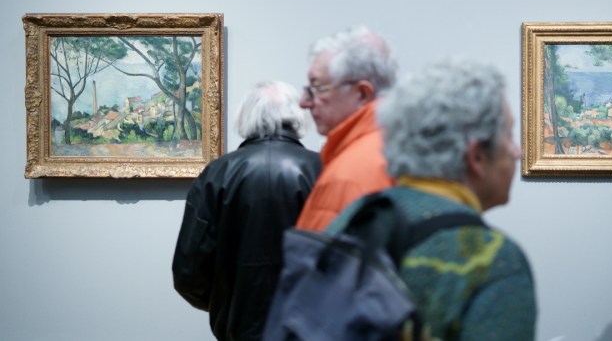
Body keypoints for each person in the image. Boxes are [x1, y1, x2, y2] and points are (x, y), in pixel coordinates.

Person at [326, 58, 537, 340]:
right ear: (476, 155)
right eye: (509, 135)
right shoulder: (494, 260)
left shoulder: (354, 218)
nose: (517, 151)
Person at [172, 81, 322, 340]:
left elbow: (188, 273)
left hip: (238, 330)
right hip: (311, 328)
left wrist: (226, 303)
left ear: (246, 116)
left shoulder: (217, 174)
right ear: (296, 115)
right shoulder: (324, 169)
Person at [295, 25, 397, 232]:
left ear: (362, 94)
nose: (304, 102)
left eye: (317, 87)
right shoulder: (394, 146)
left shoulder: (350, 175)